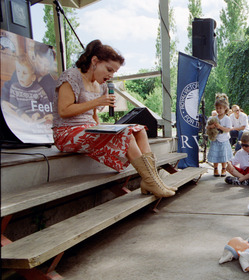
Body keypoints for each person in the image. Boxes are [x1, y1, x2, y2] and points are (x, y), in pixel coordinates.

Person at [51, 40, 174, 198]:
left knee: (139, 130)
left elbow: (93, 115)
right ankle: (150, 180)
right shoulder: (71, 76)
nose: (110, 75)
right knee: (126, 134)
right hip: (65, 133)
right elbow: (63, 110)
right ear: (94, 61)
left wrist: (101, 127)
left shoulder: (100, 84)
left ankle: (152, 179)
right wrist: (96, 102)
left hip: (88, 129)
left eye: (114, 72)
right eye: (109, 69)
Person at [2, 55, 52, 124]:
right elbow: (12, 104)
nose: (20, 76)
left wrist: (40, 113)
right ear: (35, 58)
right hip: (20, 118)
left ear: (33, 77)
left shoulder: (45, 85)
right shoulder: (15, 83)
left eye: (47, 65)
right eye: (40, 62)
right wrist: (3, 102)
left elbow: (47, 105)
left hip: (36, 119)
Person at [207, 93, 233, 177]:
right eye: (217, 108)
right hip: (215, 139)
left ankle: (223, 168)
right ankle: (215, 168)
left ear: (225, 108)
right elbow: (207, 126)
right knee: (216, 154)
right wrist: (211, 126)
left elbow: (228, 129)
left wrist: (220, 127)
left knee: (223, 155)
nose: (218, 110)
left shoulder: (227, 119)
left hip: (224, 139)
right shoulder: (213, 118)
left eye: (220, 108)